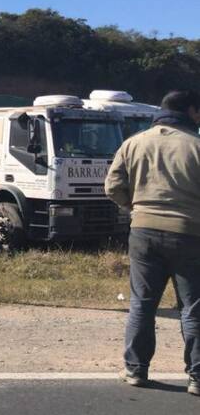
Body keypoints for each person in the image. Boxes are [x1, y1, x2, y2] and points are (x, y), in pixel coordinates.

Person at [105, 89, 200, 395]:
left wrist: (135, 207)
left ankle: (135, 370)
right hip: (190, 233)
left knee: (142, 305)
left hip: (143, 231)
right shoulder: (196, 145)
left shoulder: (134, 143)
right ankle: (197, 378)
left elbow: (113, 186)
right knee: (193, 308)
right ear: (190, 111)